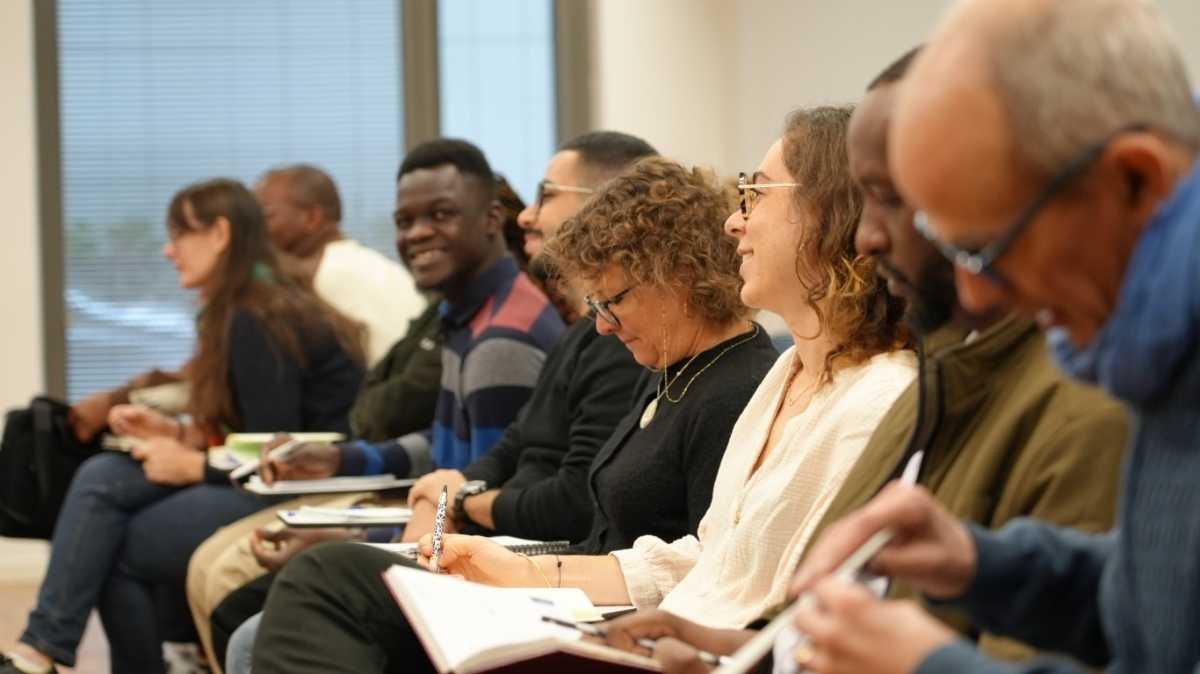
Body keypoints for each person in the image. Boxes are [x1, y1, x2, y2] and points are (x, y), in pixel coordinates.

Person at [249, 107, 918, 673]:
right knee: (324, 580)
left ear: (830, 213)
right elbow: (704, 561)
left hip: (663, 649)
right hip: (632, 624)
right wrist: (520, 569)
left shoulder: (878, 398)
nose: (734, 222)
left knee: (324, 584)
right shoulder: (785, 374)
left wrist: (486, 526)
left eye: (757, 194)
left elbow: (788, 619)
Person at [594, 47, 1130, 673]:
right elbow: (820, 622)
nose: (869, 237)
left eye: (892, 199)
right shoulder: (940, 380)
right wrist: (744, 653)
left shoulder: (1076, 410)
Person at [787, 2, 1200, 673]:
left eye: (990, 249)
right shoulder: (1156, 348)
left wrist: (930, 667)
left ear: (1135, 180)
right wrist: (981, 565)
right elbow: (1161, 610)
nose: (976, 295)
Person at [195, 132, 655, 674]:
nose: (528, 216)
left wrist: (423, 514)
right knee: (250, 594)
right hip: (463, 536)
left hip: (509, 561)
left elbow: (532, 502)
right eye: (405, 221)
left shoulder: (508, 338)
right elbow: (471, 456)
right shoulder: (473, 319)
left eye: (439, 215)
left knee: (257, 615)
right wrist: (385, 480)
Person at [0, 178, 366, 674]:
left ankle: (49, 651)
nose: (168, 250)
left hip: (308, 488)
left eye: (179, 234)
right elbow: (248, 427)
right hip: (272, 474)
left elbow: (276, 453)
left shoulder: (260, 314)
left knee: (119, 542)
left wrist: (193, 464)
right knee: (100, 475)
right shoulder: (241, 305)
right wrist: (173, 434)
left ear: (220, 234)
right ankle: (40, 650)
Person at [400, 130, 658, 543]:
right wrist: (441, 501)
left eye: (547, 195)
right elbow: (511, 446)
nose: (523, 216)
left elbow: (577, 503)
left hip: (537, 561)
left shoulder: (624, 341)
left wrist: (455, 503)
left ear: (606, 204)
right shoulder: (585, 329)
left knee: (323, 563)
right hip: (493, 542)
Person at [255, 164, 425, 366]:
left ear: (312, 218)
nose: (254, 228)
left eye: (265, 216)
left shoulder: (325, 273)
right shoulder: (362, 263)